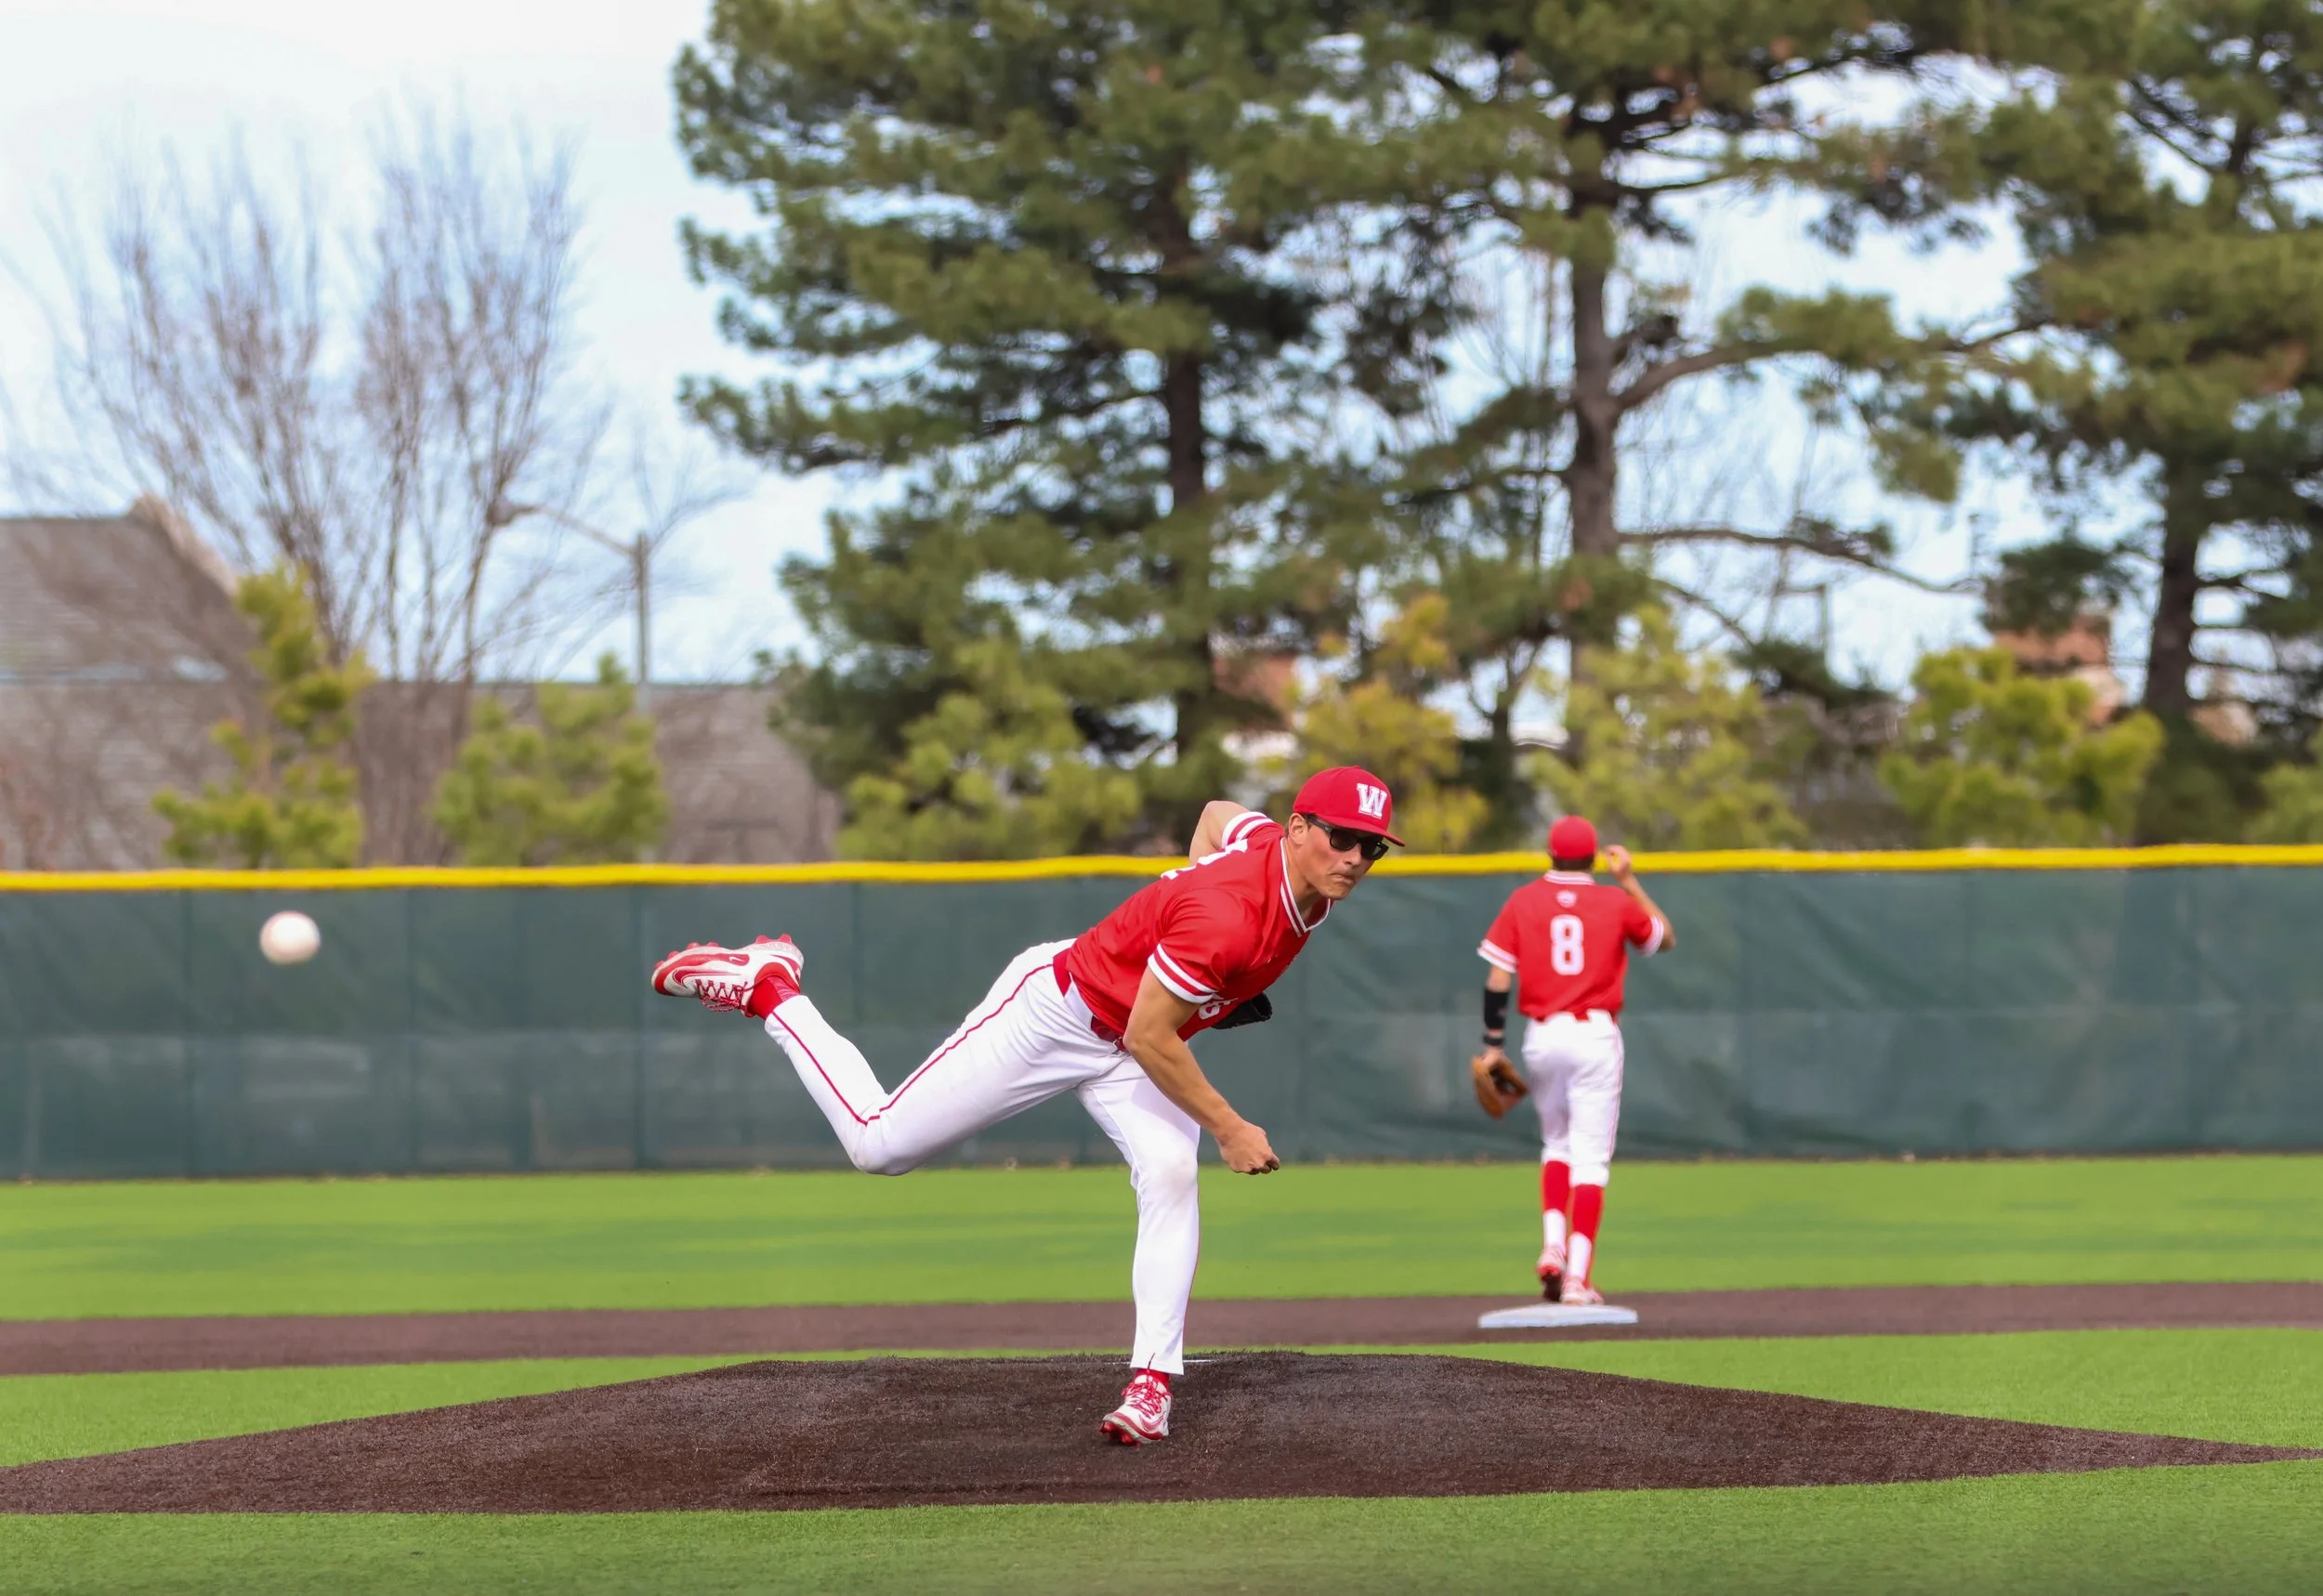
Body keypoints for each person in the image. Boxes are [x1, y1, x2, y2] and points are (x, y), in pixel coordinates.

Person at [650, 767, 1401, 1444]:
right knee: (879, 1146)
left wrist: (1176, 936)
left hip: (1128, 1034)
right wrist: (1231, 1127)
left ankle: (1151, 1386)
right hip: (1055, 1017)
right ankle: (770, 987)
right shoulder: (1228, 916)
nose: (1356, 860)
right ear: (1300, 830)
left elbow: (1213, 811)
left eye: (1373, 848)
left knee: (1171, 1174)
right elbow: (1151, 1033)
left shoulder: (1271, 849)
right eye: (1342, 839)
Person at [1474, 815, 1673, 1306]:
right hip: (1595, 1036)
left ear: (1550, 855)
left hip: (1542, 1036)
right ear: (1592, 858)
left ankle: (1552, 1247)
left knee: (1556, 1145)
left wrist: (1493, 1044)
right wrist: (1627, 878)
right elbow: (1662, 938)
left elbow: (1498, 979)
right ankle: (1578, 1278)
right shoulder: (1614, 900)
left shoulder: (1523, 900)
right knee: (1592, 1161)